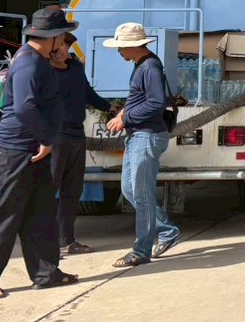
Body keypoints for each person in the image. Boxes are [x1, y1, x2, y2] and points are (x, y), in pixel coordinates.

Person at [0, 8, 78, 299]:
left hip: (30, 151)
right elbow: (25, 107)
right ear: (54, 37)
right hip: (16, 151)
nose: (65, 42)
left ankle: (46, 272)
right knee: (4, 215)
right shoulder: (29, 63)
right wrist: (46, 139)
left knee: (40, 213)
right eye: (63, 36)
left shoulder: (38, 60)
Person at [104, 23, 181, 267]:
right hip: (138, 136)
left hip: (147, 136)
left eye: (121, 47)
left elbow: (156, 103)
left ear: (133, 46)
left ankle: (141, 250)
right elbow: (141, 99)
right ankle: (167, 231)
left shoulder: (150, 67)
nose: (119, 52)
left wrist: (125, 117)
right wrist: (123, 113)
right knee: (130, 190)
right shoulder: (142, 65)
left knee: (141, 193)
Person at [49, 32, 112, 255]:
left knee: (73, 190)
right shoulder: (42, 71)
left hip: (76, 135)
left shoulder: (75, 67)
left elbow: (87, 93)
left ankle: (66, 241)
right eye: (54, 48)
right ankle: (43, 242)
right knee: (48, 190)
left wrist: (109, 108)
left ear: (68, 47)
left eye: (63, 46)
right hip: (54, 136)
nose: (59, 51)